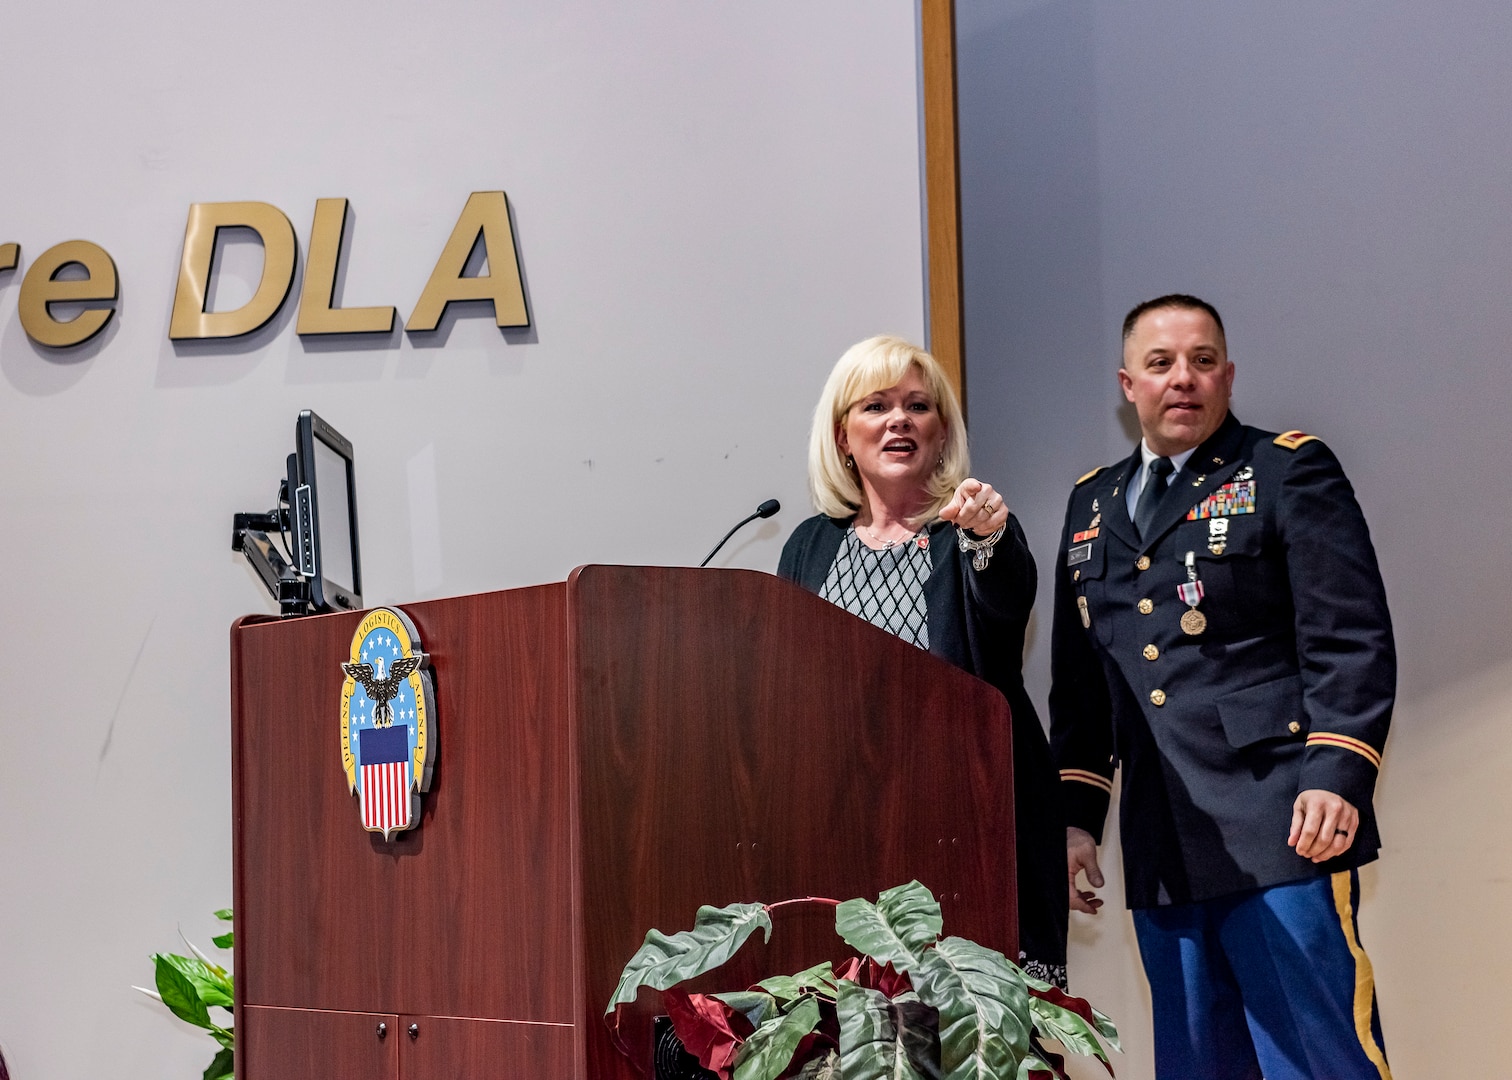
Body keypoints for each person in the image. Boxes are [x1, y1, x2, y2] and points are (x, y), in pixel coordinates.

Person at [1050, 295, 1394, 1079]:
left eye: (1203, 361)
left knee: (1318, 1061)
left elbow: (1350, 638)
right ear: (1126, 384)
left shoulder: (1284, 470)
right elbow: (1082, 687)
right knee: (1198, 1065)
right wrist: (1075, 819)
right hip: (1163, 839)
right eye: (1162, 364)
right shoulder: (1092, 503)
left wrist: (1338, 773)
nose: (1184, 379)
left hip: (1280, 823)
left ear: (1228, 375)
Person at [778, 334, 1067, 986]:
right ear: (843, 436)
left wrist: (988, 537)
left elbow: (1003, 616)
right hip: (843, 829)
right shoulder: (808, 545)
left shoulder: (971, 530)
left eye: (917, 406)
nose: (899, 420)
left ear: (940, 436)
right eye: (876, 406)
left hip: (966, 825)